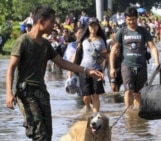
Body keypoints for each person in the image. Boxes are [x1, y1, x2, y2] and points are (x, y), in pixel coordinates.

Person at [5, 6, 103, 141]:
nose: (54, 25)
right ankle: (30, 125)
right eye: (51, 22)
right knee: (40, 134)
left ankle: (31, 125)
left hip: (42, 91)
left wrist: (87, 71)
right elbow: (10, 68)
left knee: (48, 133)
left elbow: (62, 62)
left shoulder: (45, 44)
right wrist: (9, 93)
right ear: (41, 22)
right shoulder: (23, 41)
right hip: (26, 92)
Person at [109, 7, 160, 110]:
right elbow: (114, 50)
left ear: (137, 18)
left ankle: (137, 115)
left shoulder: (143, 31)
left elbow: (152, 47)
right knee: (128, 91)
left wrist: (157, 62)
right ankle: (128, 113)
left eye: (133, 19)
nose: (131, 22)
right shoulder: (122, 32)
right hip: (126, 65)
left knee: (139, 93)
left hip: (141, 66)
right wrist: (112, 68)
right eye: (128, 19)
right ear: (125, 19)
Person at [72, 17, 108, 113]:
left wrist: (103, 70)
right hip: (84, 70)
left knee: (95, 95)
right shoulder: (83, 40)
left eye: (95, 25)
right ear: (88, 27)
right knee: (86, 96)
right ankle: (87, 107)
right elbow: (77, 54)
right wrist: (71, 68)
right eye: (91, 26)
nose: (93, 28)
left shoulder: (101, 41)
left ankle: (96, 115)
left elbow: (105, 56)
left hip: (97, 70)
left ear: (98, 27)